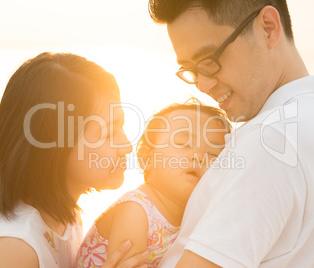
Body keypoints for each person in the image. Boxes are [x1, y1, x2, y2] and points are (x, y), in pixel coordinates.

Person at [148, 0, 314, 267]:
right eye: (192, 70)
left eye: (210, 61)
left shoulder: (273, 140)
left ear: (268, 28)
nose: (204, 85)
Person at [0, 52, 148, 268]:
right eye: (107, 134)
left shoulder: (66, 217)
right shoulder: (10, 248)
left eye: (121, 125)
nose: (127, 146)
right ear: (52, 144)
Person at [74, 101, 231, 267]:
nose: (199, 157)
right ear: (146, 158)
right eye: (183, 144)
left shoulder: (195, 217)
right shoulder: (136, 210)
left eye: (214, 155)